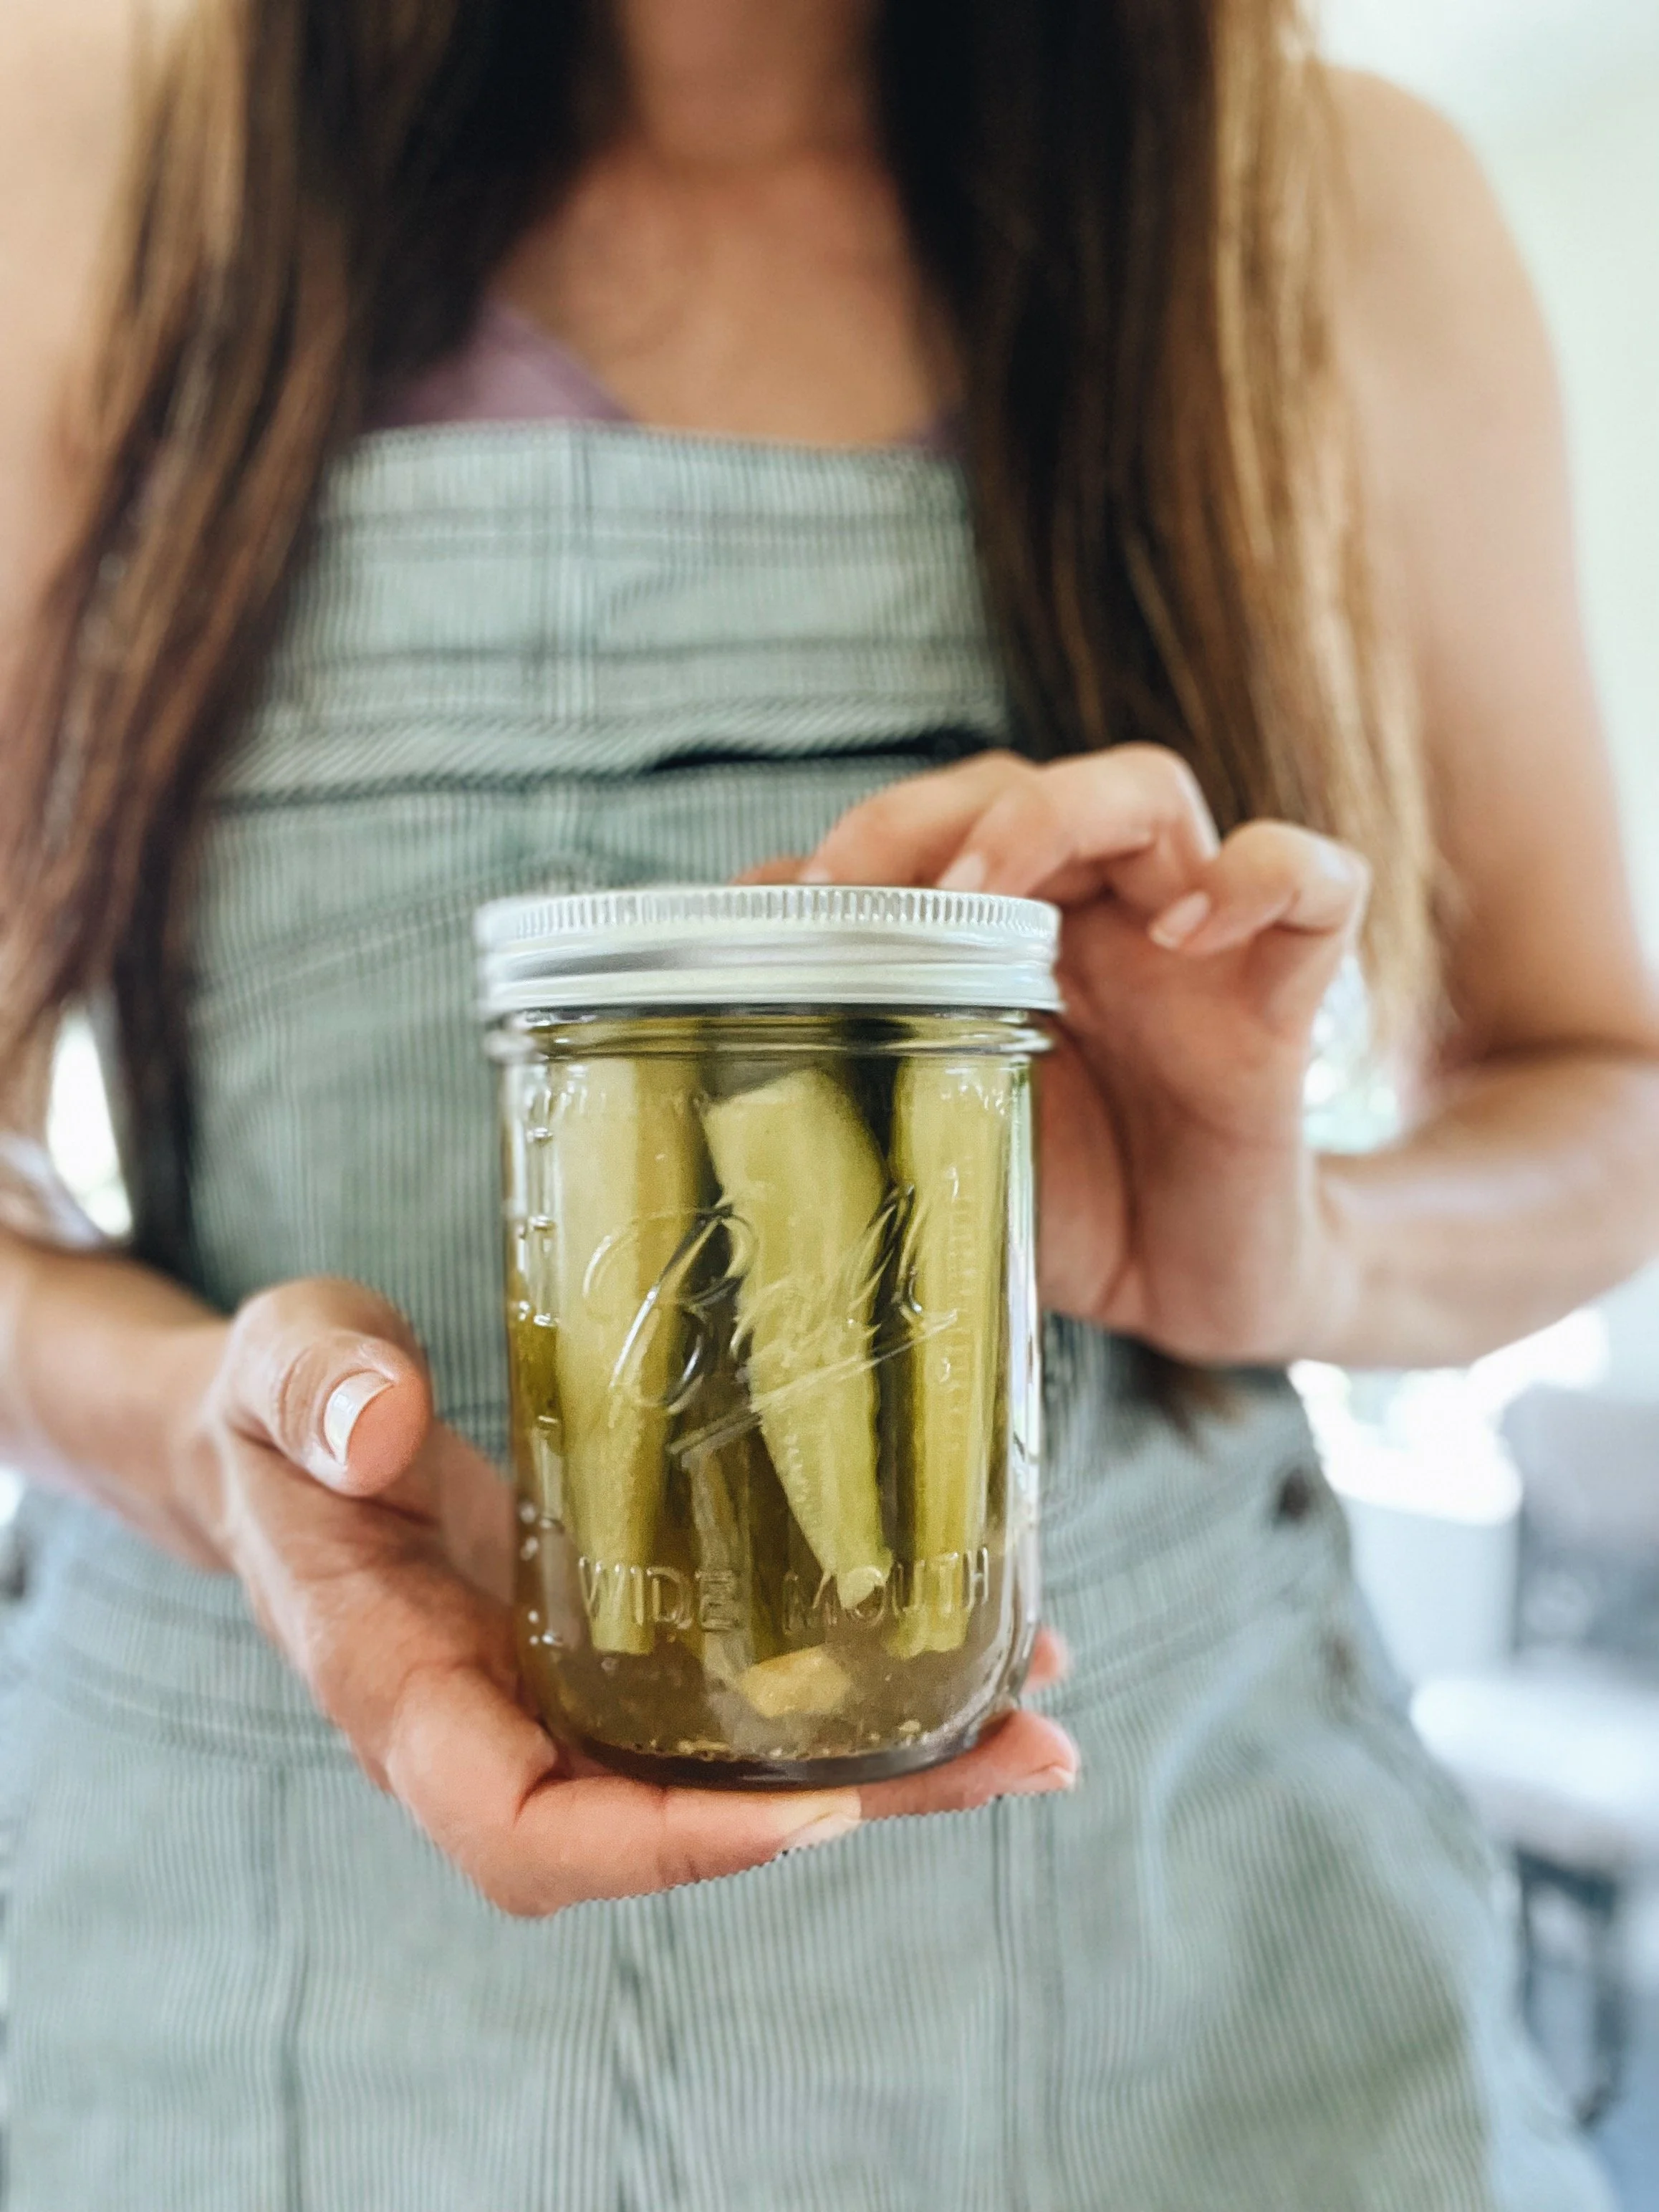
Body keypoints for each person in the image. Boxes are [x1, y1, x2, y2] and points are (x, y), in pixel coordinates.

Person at [1, 1, 1655, 2205]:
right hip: (251, 1954)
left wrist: (1308, 1249)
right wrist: (206, 1435)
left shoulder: (1332, 208)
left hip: (1183, 1959)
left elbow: (1600, 1083)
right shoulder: (87, 139)